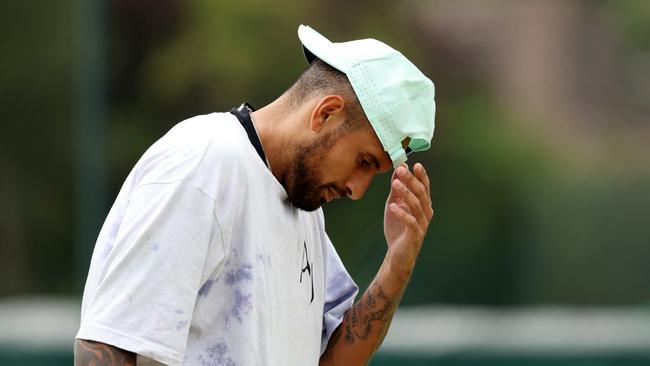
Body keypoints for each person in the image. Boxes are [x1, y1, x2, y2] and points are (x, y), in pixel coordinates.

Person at [74, 24, 436, 366]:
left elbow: (330, 360)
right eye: (363, 161)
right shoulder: (205, 164)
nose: (358, 190)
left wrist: (397, 264)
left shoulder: (304, 208)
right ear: (326, 114)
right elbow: (107, 345)